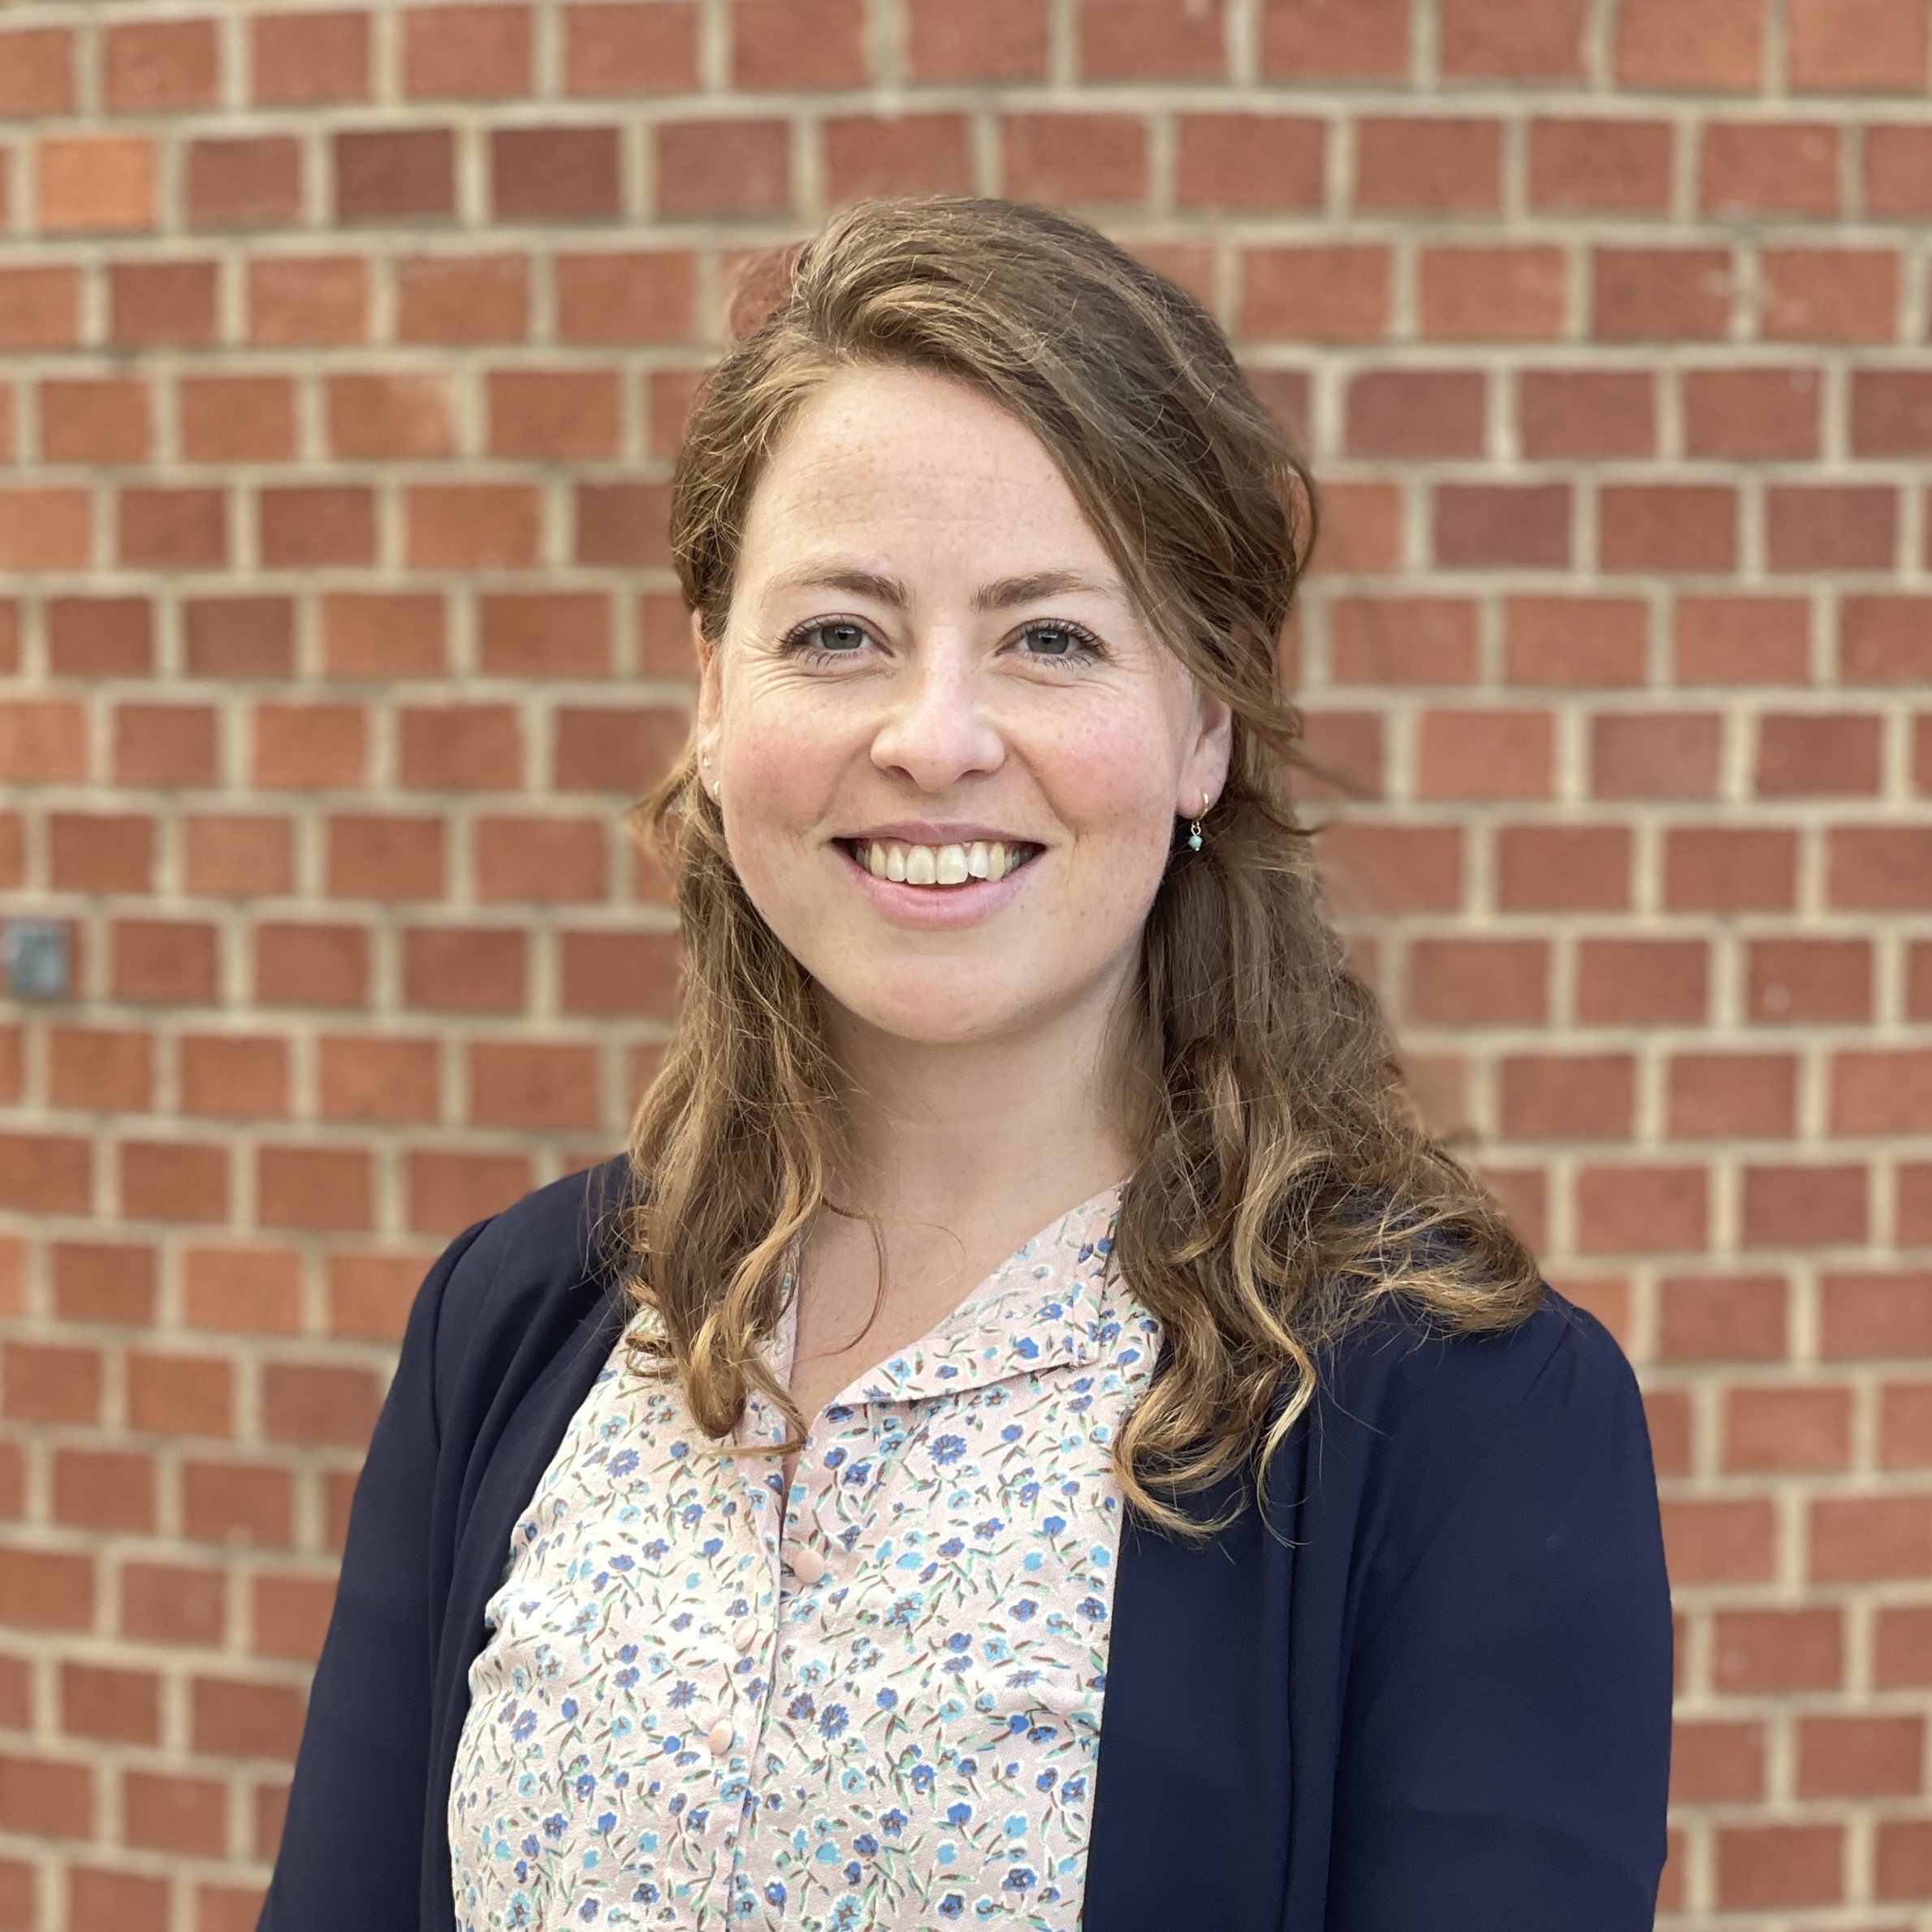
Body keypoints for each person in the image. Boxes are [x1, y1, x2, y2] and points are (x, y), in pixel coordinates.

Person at [258, 196, 1672, 1932]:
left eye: (1050, 635)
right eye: (837, 631)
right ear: (714, 699)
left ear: (1203, 723)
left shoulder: (1459, 1416)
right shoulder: (515, 1325)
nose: (932, 736)